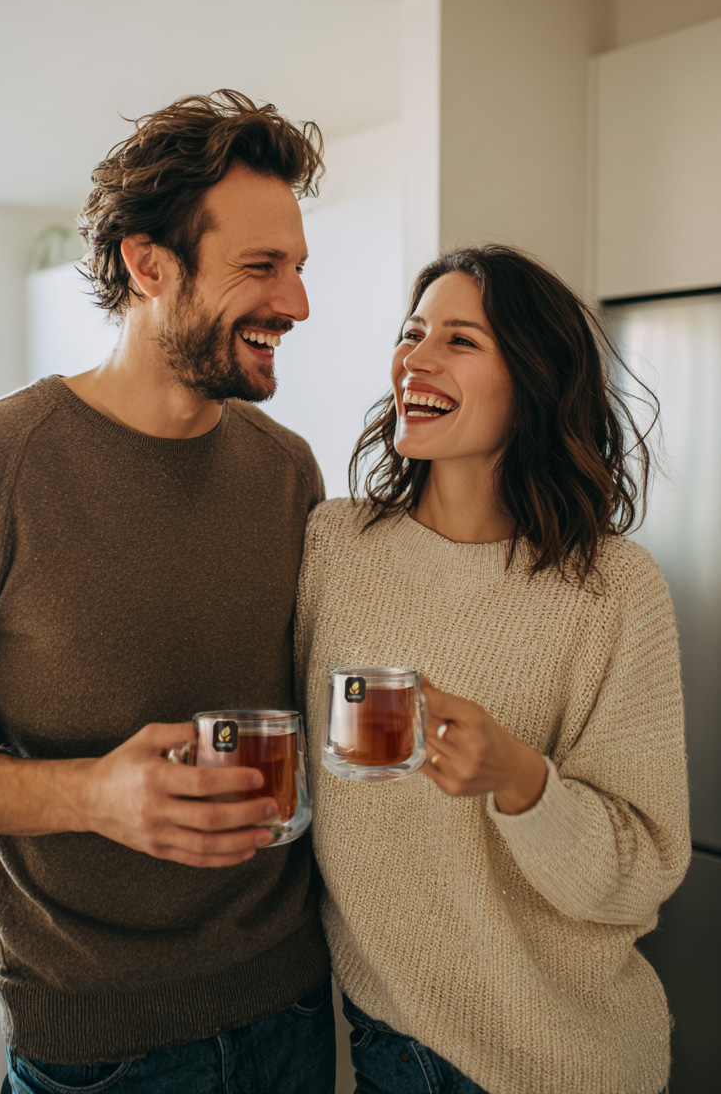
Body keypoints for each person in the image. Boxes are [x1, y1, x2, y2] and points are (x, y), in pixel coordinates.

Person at [0, 91, 337, 1094]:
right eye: (260, 268)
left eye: (300, 268)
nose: (297, 304)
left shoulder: (289, 472)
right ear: (151, 266)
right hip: (102, 1048)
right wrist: (91, 796)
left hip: (294, 1008)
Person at [296, 245, 689, 1094]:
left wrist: (521, 781)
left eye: (460, 340)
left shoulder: (612, 588)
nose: (416, 358)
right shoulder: (335, 545)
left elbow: (645, 868)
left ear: (534, 379)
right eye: (412, 332)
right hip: (385, 1047)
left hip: (566, 1061)